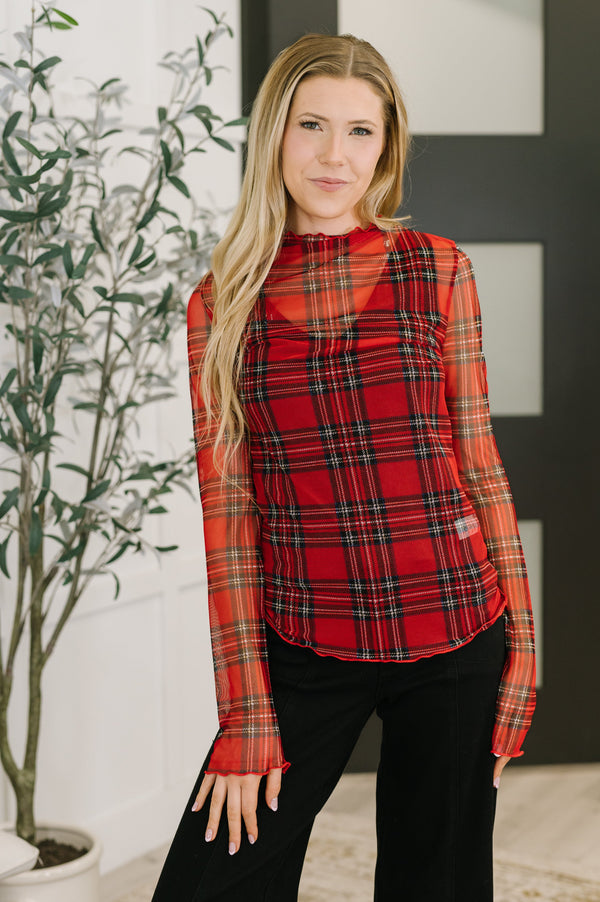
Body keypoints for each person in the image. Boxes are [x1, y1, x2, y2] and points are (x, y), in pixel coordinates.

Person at [151, 32, 536, 902]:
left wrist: (523, 650)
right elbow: (229, 515)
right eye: (312, 125)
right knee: (210, 886)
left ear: (387, 145)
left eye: (361, 131)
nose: (335, 155)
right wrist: (246, 711)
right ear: (273, 137)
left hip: (455, 628)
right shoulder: (222, 303)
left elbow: (479, 465)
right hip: (305, 639)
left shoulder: (439, 270)